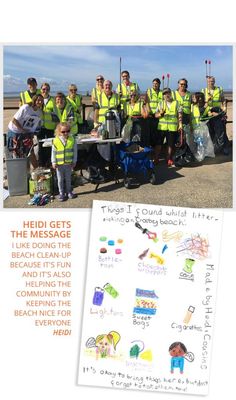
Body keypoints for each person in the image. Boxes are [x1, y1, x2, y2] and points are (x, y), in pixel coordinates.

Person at [7, 93, 44, 168]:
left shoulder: (39, 112)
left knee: (30, 152)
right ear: (34, 100)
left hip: (26, 133)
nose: (40, 102)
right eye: (38, 100)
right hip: (15, 132)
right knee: (18, 154)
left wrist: (32, 133)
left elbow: (34, 125)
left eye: (42, 101)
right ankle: (20, 172)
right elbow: (14, 120)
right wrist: (22, 129)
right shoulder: (26, 107)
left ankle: (36, 171)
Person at [154, 88, 183, 166]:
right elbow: (155, 115)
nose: (166, 95)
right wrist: (160, 114)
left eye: (168, 93)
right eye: (164, 93)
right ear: (163, 95)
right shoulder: (160, 103)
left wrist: (180, 124)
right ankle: (156, 158)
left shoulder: (176, 103)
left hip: (172, 127)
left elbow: (180, 114)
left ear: (171, 93)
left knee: (170, 144)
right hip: (162, 127)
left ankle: (168, 158)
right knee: (158, 144)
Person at [51, 122, 77, 201]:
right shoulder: (55, 140)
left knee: (68, 179)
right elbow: (53, 152)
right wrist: (53, 162)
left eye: (68, 131)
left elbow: (75, 152)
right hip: (59, 164)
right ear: (59, 132)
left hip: (68, 164)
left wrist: (74, 161)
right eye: (63, 132)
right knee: (60, 180)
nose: (66, 133)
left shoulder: (72, 140)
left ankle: (69, 192)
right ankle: (61, 193)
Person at [38, 82, 56, 166]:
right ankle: (41, 165)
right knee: (41, 146)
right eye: (44, 89)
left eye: (47, 89)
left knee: (50, 146)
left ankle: (49, 164)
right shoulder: (38, 99)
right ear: (41, 89)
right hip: (40, 127)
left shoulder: (53, 100)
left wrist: (57, 126)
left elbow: (56, 114)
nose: (45, 91)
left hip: (50, 127)